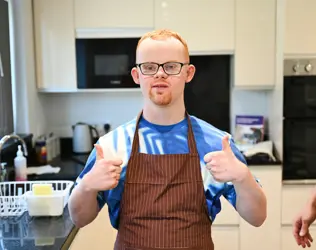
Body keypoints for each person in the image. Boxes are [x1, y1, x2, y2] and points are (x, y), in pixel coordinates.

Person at [68, 29, 267, 250]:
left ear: (188, 73)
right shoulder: (110, 147)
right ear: (136, 75)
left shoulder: (216, 144)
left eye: (171, 67)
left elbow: (257, 218)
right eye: (150, 67)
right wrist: (86, 187)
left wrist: (243, 177)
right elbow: (79, 219)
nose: (160, 74)